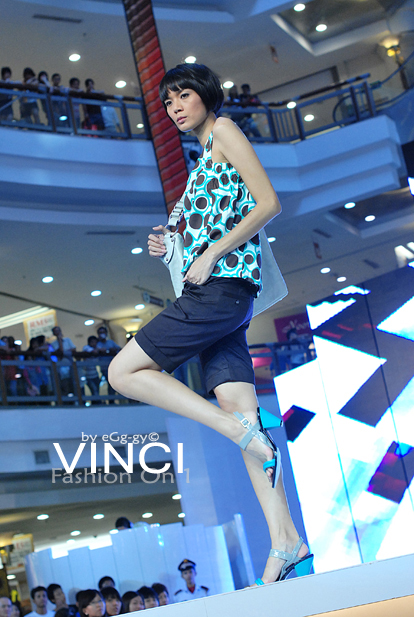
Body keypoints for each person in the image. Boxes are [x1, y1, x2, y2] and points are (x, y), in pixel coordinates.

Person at [108, 62, 313, 586]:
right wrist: (171, 246)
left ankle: (235, 433)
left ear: (205, 95)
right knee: (245, 417)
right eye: (167, 101)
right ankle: (287, 541)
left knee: (122, 372)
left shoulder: (223, 130)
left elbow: (269, 203)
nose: (175, 107)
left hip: (219, 292)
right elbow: (208, 225)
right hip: (222, 297)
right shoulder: (200, 160)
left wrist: (213, 252)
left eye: (183, 96)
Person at [51, 326, 76, 396]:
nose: (57, 332)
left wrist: (65, 352)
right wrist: (59, 341)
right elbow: (60, 352)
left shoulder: (67, 340)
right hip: (61, 367)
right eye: (55, 331)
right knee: (64, 384)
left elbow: (74, 349)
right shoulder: (53, 344)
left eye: (58, 330)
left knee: (73, 383)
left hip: (70, 364)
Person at [96, 326, 120, 397]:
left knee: (114, 384)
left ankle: (112, 399)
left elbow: (118, 348)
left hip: (113, 367)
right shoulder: (97, 344)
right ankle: (111, 399)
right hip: (104, 368)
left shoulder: (110, 342)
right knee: (110, 383)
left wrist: (113, 349)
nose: (102, 334)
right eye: (100, 333)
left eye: (103, 332)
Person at [82, 335, 101, 401]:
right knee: (94, 390)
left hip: (95, 374)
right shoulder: (86, 348)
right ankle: (96, 403)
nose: (94, 344)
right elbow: (94, 352)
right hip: (88, 376)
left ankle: (97, 403)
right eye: (92, 342)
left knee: (97, 391)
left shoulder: (97, 348)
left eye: (95, 342)